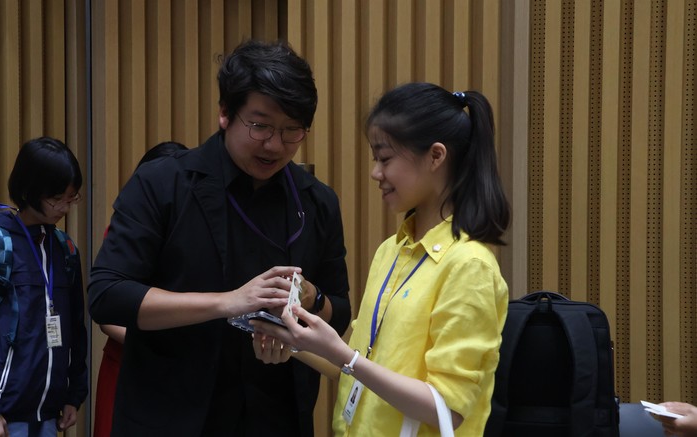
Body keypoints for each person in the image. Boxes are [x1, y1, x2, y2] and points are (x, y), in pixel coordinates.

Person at [88, 39, 351, 436]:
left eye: (292, 130)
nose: (275, 145)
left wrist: (310, 300)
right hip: (169, 417)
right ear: (225, 113)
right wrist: (227, 303)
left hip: (276, 417)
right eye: (260, 125)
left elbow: (340, 311)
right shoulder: (163, 183)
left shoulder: (317, 201)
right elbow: (108, 295)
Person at [252, 82, 510, 436]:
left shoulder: (470, 266)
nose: (375, 173)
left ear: (436, 156)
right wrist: (291, 339)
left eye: (385, 159)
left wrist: (345, 357)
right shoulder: (391, 250)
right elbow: (361, 366)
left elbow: (447, 409)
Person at [0, 137, 88, 437]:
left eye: (71, 198)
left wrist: (74, 393)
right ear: (28, 192)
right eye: (57, 199)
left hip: (47, 419)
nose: (65, 207)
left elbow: (76, 329)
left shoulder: (65, 251)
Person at [93, 141, 187, 437]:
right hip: (125, 364)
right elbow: (107, 315)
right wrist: (156, 346)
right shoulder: (124, 233)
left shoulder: (197, 238)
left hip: (180, 374)